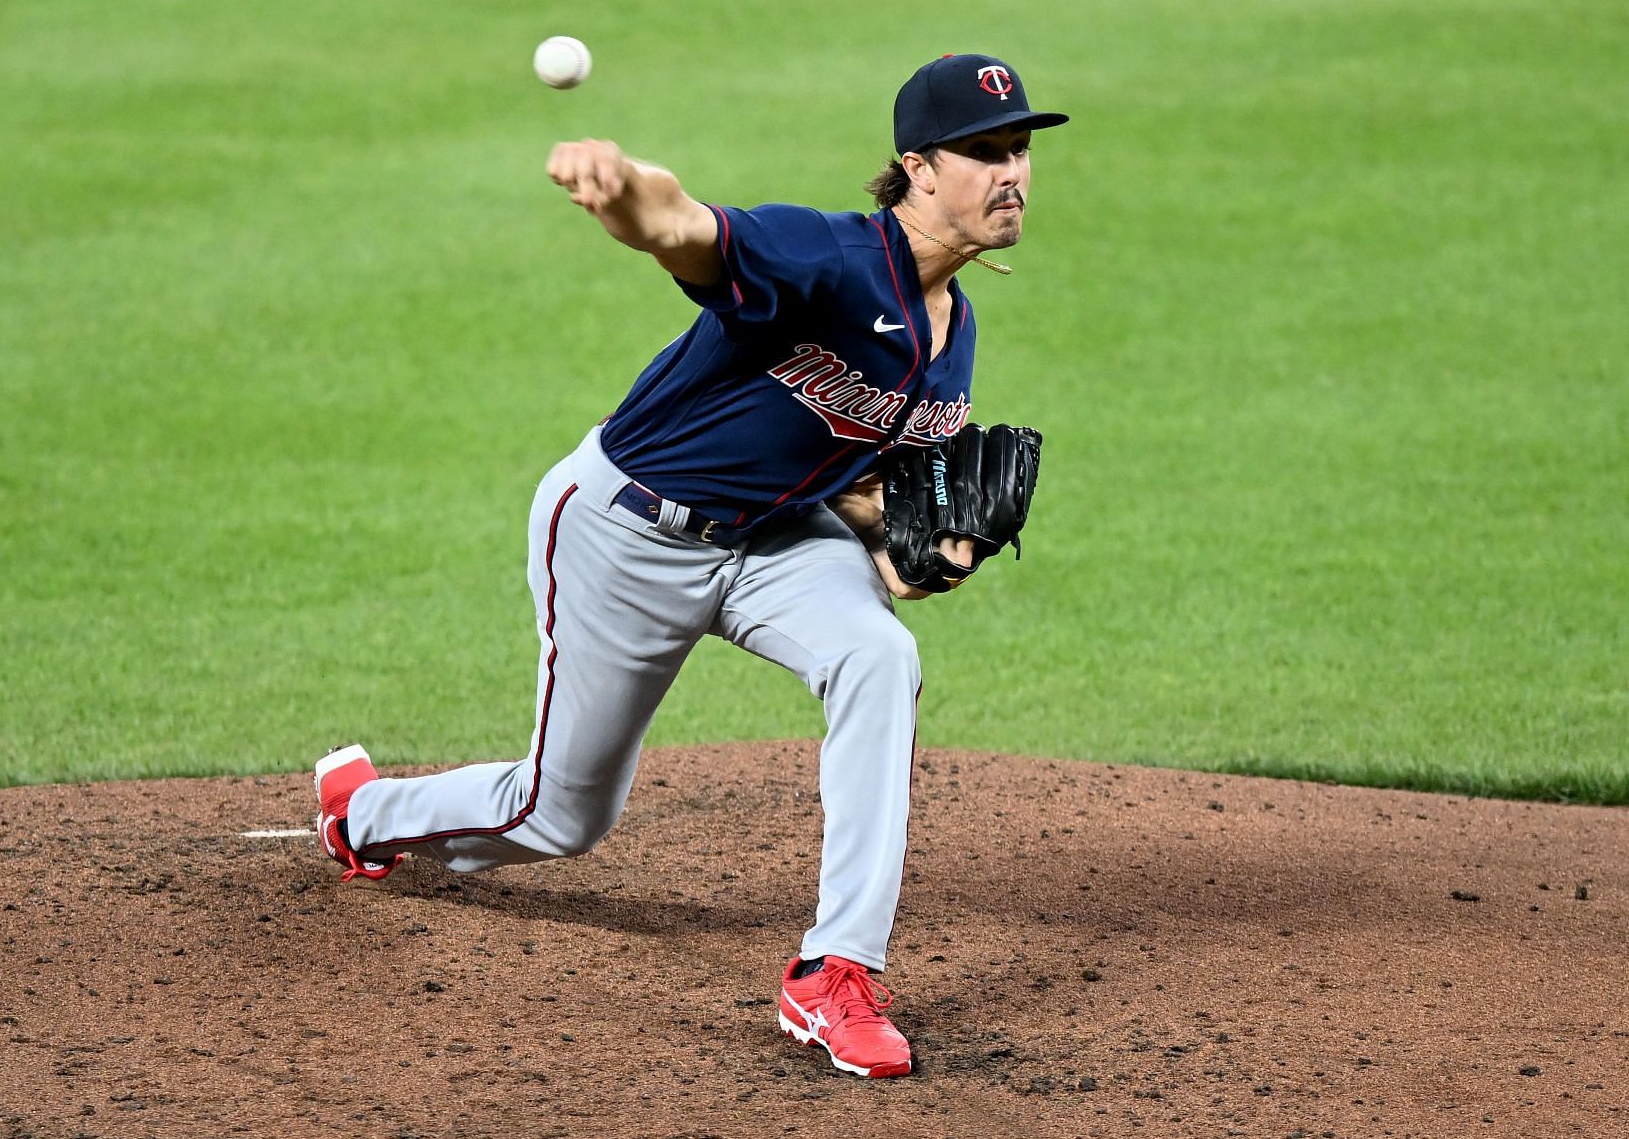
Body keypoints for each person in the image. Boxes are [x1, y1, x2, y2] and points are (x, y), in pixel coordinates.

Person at [311, 54, 1068, 1079]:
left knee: (879, 658)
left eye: (1019, 148)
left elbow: (883, 538)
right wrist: (620, 186)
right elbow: (686, 229)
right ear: (918, 169)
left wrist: (928, 551)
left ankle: (836, 973)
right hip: (626, 533)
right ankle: (365, 814)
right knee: (564, 813)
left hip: (777, 540)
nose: (1012, 169)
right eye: (984, 151)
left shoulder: (956, 334)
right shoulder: (829, 258)